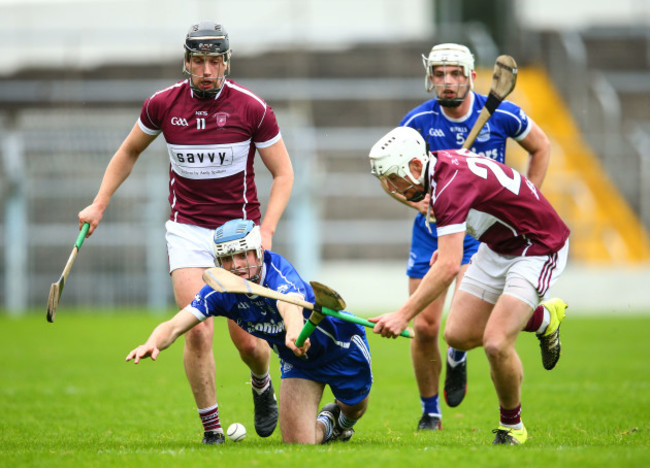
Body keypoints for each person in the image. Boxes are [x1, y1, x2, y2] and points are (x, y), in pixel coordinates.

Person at [78, 21, 294, 444]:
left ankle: (262, 384)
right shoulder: (162, 105)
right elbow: (129, 151)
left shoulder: (252, 108)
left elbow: (284, 173)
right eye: (199, 61)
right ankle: (212, 430)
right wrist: (99, 202)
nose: (207, 70)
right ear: (187, 62)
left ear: (226, 63)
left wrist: (266, 230)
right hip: (188, 232)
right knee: (197, 327)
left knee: (249, 344)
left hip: (240, 235)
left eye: (215, 61)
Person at [381, 43, 552, 430]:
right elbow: (388, 176)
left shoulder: (502, 113)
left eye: (455, 73)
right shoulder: (417, 122)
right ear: (431, 78)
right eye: (439, 74)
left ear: (472, 77)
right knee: (425, 327)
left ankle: (458, 353)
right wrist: (420, 204)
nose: (447, 81)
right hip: (432, 232)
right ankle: (430, 410)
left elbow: (541, 148)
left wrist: (528, 198)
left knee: (464, 325)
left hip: (484, 234)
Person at [368, 126, 569, 445]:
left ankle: (511, 427)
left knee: (496, 343)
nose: (392, 188)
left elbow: (449, 266)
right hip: (497, 245)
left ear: (415, 167)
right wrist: (449, 243)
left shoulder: (447, 185)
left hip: (537, 246)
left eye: (394, 178)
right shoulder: (441, 167)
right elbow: (481, 207)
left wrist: (403, 314)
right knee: (458, 335)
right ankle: (544, 320)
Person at [126, 219, 372, 445]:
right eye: (228, 259)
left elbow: (291, 306)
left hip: (340, 348)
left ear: (258, 252)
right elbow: (177, 324)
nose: (236, 266)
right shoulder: (221, 291)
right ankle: (331, 424)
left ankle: (342, 422)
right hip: (298, 361)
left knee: (354, 409)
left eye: (243, 255)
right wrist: (153, 342)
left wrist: (293, 333)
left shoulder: (279, 274)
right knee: (299, 443)